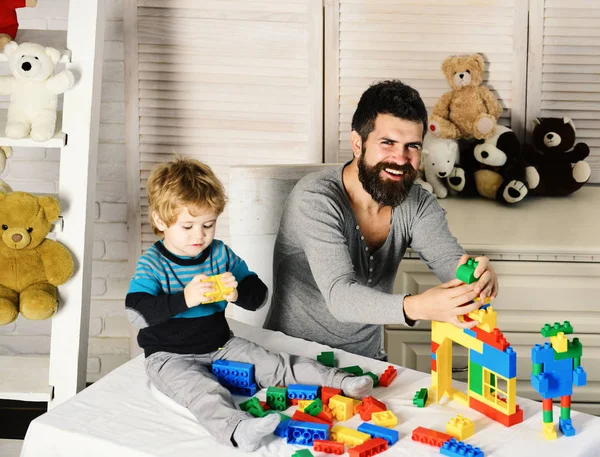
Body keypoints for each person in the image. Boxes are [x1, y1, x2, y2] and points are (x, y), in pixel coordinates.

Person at [125, 157, 374, 452]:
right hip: (170, 357)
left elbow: (259, 296)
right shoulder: (153, 263)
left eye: (208, 224)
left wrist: (237, 294)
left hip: (221, 345)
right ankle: (239, 430)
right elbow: (136, 313)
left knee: (275, 363)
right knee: (204, 393)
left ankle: (342, 382)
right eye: (188, 226)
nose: (199, 235)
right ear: (159, 221)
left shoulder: (219, 254)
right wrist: (185, 299)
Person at [266, 80, 499, 360]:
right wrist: (417, 307)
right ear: (357, 144)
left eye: (412, 146)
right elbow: (340, 297)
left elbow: (451, 262)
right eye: (387, 143)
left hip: (368, 365)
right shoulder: (315, 198)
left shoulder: (417, 202)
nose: (400, 159)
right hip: (289, 363)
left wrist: (475, 279)